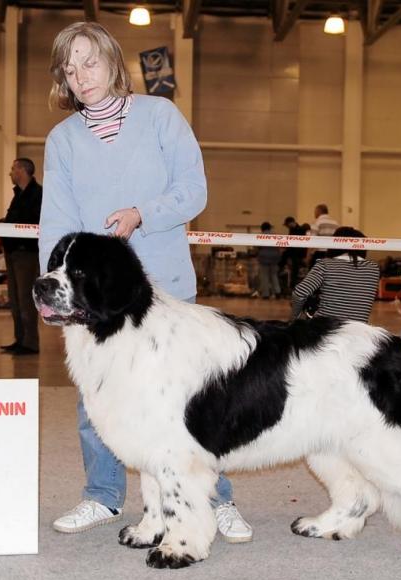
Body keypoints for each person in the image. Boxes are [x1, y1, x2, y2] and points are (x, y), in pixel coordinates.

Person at [39, 21, 253, 543]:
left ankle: (215, 498)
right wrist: (53, 287)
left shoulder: (161, 117)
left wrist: (144, 213)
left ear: (114, 63)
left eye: (89, 62)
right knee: (99, 397)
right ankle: (104, 496)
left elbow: (193, 190)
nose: (80, 75)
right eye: (70, 68)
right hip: (94, 297)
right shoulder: (62, 140)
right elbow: (56, 219)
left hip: (167, 284)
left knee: (193, 400)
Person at [290, 226, 380, 322]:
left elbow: (299, 293)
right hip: (359, 330)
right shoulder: (373, 268)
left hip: (326, 329)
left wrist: (294, 318)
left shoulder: (325, 264)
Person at [0, 158, 42, 355]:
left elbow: (32, 220)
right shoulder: (18, 195)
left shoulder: (38, 194)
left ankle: (31, 342)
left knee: (26, 298)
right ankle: (20, 339)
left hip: (27, 253)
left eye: (13, 169)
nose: (10, 173)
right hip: (13, 252)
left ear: (22, 170)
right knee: (15, 299)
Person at [307, 203, 339, 269]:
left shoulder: (317, 222)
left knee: (315, 276)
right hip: (332, 254)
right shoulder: (336, 223)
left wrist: (308, 256)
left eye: (315, 211)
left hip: (320, 253)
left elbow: (313, 240)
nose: (314, 214)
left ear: (319, 211)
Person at [278, 216, 306, 292]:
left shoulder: (300, 230)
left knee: (295, 272)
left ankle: (293, 287)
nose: (287, 227)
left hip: (297, 254)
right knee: (293, 271)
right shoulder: (292, 229)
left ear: (291, 223)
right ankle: (291, 286)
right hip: (292, 253)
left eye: (287, 225)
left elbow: (300, 244)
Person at [255, 221, 281, 299]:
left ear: (262, 228)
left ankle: (266, 294)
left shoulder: (260, 236)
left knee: (264, 276)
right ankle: (277, 292)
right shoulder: (275, 236)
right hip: (274, 258)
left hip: (263, 258)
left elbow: (257, 247)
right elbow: (279, 247)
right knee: (274, 275)